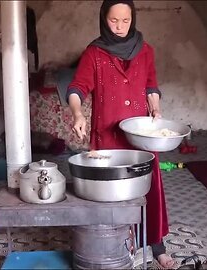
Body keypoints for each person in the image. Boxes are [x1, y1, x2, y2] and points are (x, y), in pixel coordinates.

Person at [66, 0, 175, 268]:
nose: (119, 27)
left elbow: (151, 85)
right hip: (107, 135)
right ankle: (116, 242)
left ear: (133, 19)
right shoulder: (94, 53)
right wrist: (78, 114)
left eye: (125, 21)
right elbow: (77, 88)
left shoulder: (145, 51)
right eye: (114, 20)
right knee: (112, 191)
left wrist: (156, 107)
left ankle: (155, 243)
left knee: (148, 186)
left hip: (139, 134)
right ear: (104, 19)